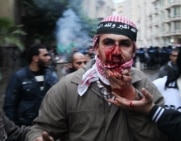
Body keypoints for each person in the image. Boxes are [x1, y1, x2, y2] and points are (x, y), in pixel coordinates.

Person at [26, 15, 168, 141]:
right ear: (96, 47)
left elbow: (161, 135)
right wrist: (38, 138)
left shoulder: (146, 88)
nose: (116, 52)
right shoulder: (68, 87)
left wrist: (134, 103)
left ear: (133, 50)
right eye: (108, 43)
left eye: (125, 44)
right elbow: (40, 128)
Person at [3, 44, 58, 126]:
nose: (49, 58)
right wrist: (15, 129)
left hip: (48, 125)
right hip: (26, 127)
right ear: (35, 58)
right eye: (45, 55)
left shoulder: (52, 76)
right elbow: (9, 105)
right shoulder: (19, 76)